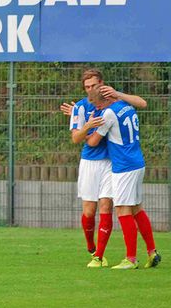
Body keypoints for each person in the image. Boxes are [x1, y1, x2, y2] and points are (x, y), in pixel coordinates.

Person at [61, 69, 147, 268]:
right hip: (89, 162)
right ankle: (91, 247)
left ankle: (99, 256)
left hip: (111, 161)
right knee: (89, 211)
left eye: (93, 85)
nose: (90, 89)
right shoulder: (80, 107)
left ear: (101, 83)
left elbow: (141, 103)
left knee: (107, 206)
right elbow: (75, 138)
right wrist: (86, 125)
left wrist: (118, 94)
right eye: (87, 87)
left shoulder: (111, 99)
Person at [85, 83, 161, 270]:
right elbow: (141, 102)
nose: (97, 107)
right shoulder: (126, 106)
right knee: (136, 208)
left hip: (124, 166)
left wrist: (88, 127)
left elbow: (93, 142)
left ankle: (131, 259)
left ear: (105, 100)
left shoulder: (108, 114)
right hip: (137, 162)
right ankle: (152, 252)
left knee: (122, 210)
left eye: (98, 104)